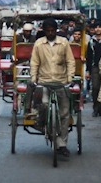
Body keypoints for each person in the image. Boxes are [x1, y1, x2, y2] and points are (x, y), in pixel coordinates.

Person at [29, 18, 75, 158]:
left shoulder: (64, 42)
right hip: (44, 81)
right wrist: (33, 79)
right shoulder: (38, 44)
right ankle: (43, 124)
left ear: (56, 30)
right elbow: (34, 63)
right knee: (43, 105)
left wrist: (70, 78)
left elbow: (70, 61)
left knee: (65, 113)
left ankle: (62, 144)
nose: (50, 33)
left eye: (52, 30)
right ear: (44, 31)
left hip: (61, 82)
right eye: (47, 31)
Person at [85, 20, 101, 117]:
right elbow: (89, 57)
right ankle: (95, 108)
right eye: (96, 27)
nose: (97, 29)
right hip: (95, 67)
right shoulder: (91, 42)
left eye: (99, 27)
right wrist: (88, 70)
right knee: (95, 88)